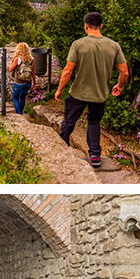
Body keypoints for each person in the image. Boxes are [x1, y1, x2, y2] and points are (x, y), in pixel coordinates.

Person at [55, 12, 128, 168]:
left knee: (69, 120)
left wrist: (59, 89)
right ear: (101, 26)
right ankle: (95, 155)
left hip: (78, 92)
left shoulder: (78, 44)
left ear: (85, 26)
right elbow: (124, 72)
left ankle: (61, 147)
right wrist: (119, 86)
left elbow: (67, 71)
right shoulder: (114, 45)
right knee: (94, 122)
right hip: (99, 94)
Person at [8, 42, 34, 115]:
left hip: (18, 82)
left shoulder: (18, 59)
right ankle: (21, 112)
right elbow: (33, 73)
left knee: (15, 98)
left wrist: (13, 59)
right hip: (27, 82)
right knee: (23, 97)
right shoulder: (31, 60)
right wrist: (34, 83)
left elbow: (10, 69)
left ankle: (19, 113)